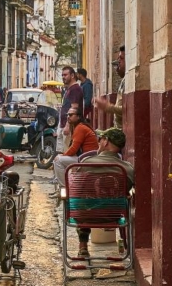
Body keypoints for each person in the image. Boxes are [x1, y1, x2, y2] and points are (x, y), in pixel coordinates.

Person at [74, 127, 135, 258]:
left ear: (106, 142)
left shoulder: (86, 164)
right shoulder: (127, 169)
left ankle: (83, 245)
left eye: (100, 139)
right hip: (113, 217)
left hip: (85, 216)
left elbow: (76, 190)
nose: (98, 142)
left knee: (83, 201)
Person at [52, 108, 100, 187]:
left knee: (58, 161)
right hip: (85, 157)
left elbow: (74, 148)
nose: (68, 117)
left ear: (78, 117)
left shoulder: (80, 128)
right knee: (59, 159)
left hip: (87, 159)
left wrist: (62, 155)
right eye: (67, 115)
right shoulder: (78, 127)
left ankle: (65, 188)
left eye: (71, 115)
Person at [94, 46, 125, 129]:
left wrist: (108, 107)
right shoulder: (124, 80)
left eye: (121, 59)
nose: (118, 64)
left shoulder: (129, 81)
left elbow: (128, 110)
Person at [59, 66, 83, 153]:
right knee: (63, 151)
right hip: (65, 124)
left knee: (67, 151)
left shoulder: (75, 89)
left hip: (70, 126)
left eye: (65, 75)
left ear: (72, 75)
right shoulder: (69, 89)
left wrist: (67, 126)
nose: (63, 77)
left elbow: (74, 108)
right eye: (62, 75)